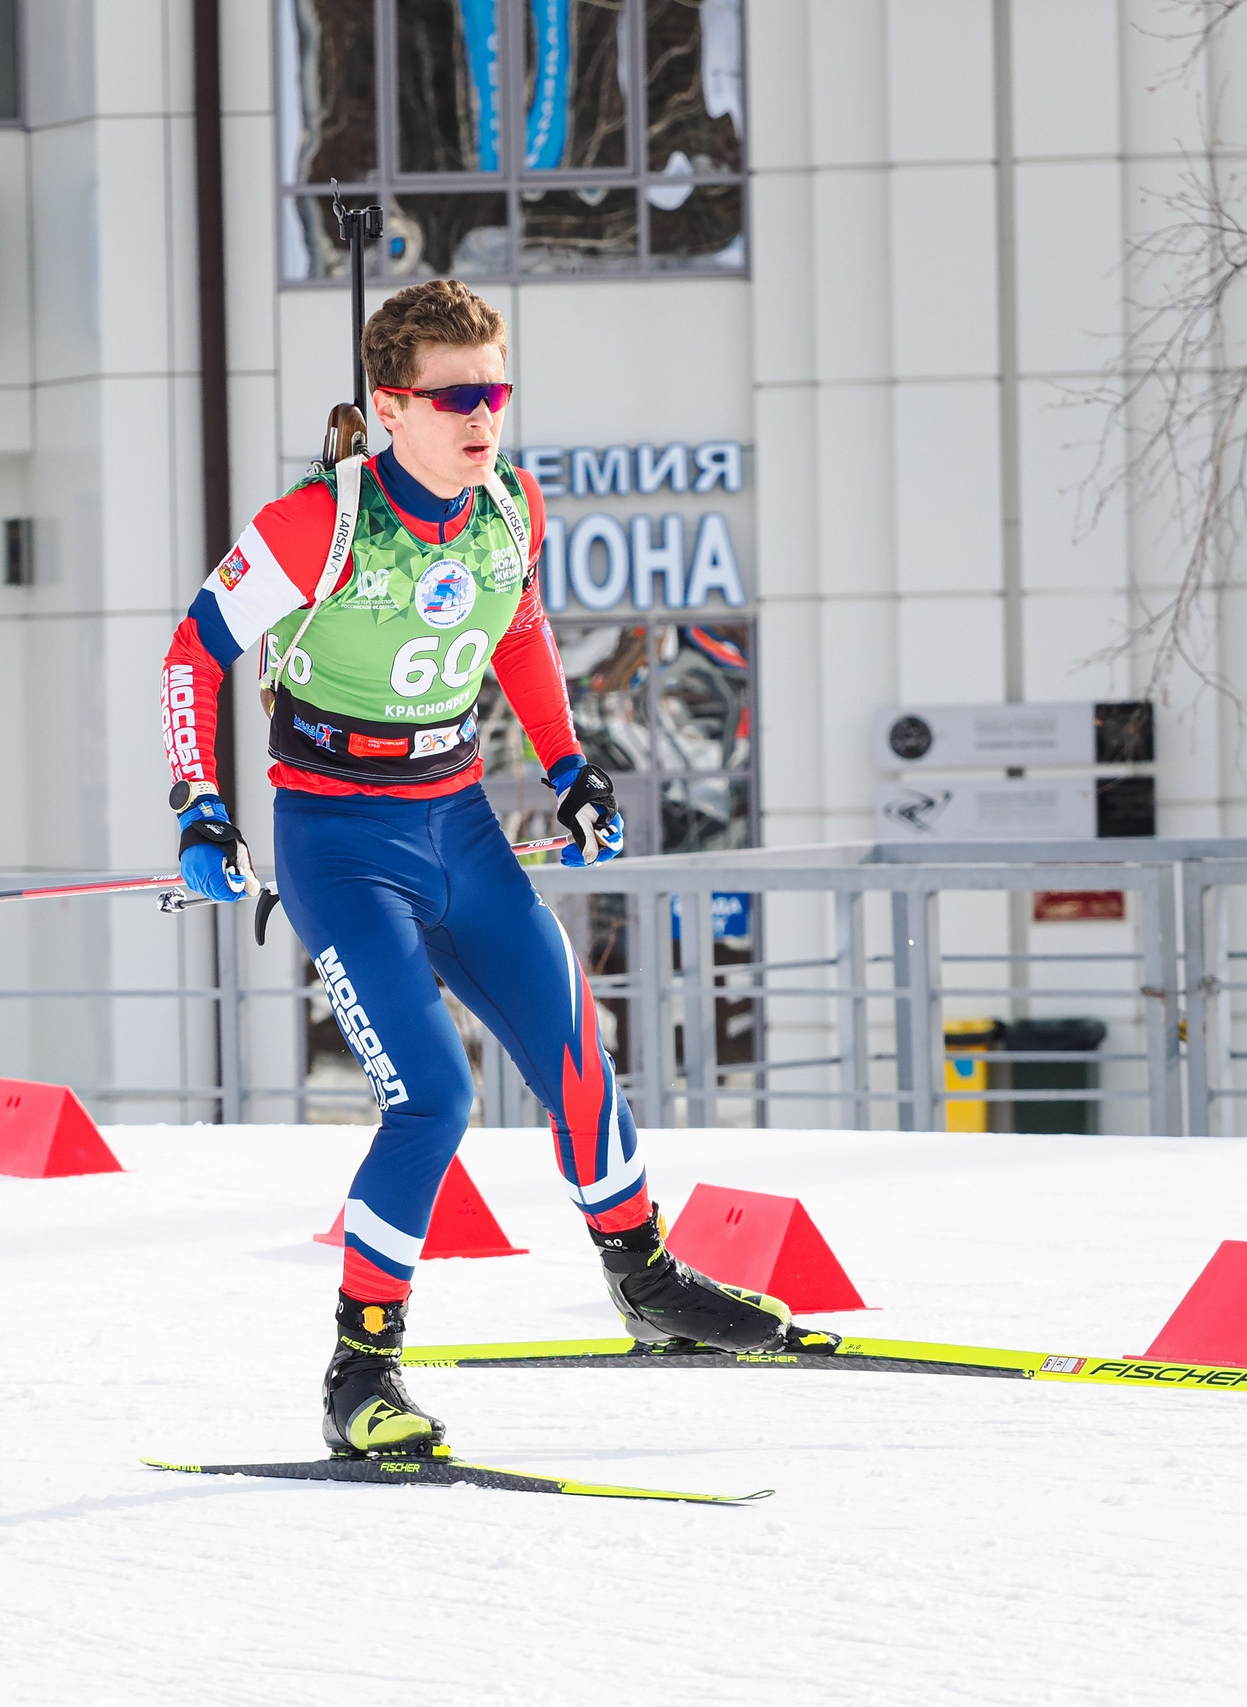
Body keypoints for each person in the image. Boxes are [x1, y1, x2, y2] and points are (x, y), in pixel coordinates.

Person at [156, 278, 802, 1459]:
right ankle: (361, 1373)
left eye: (495, 390)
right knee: (433, 1097)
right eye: (456, 396)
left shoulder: (510, 503)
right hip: (338, 843)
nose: (482, 416)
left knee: (573, 1050)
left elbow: (515, 627)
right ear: (391, 405)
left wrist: (568, 766)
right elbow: (190, 653)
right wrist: (200, 805)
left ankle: (646, 1283)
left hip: (456, 817)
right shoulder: (316, 523)